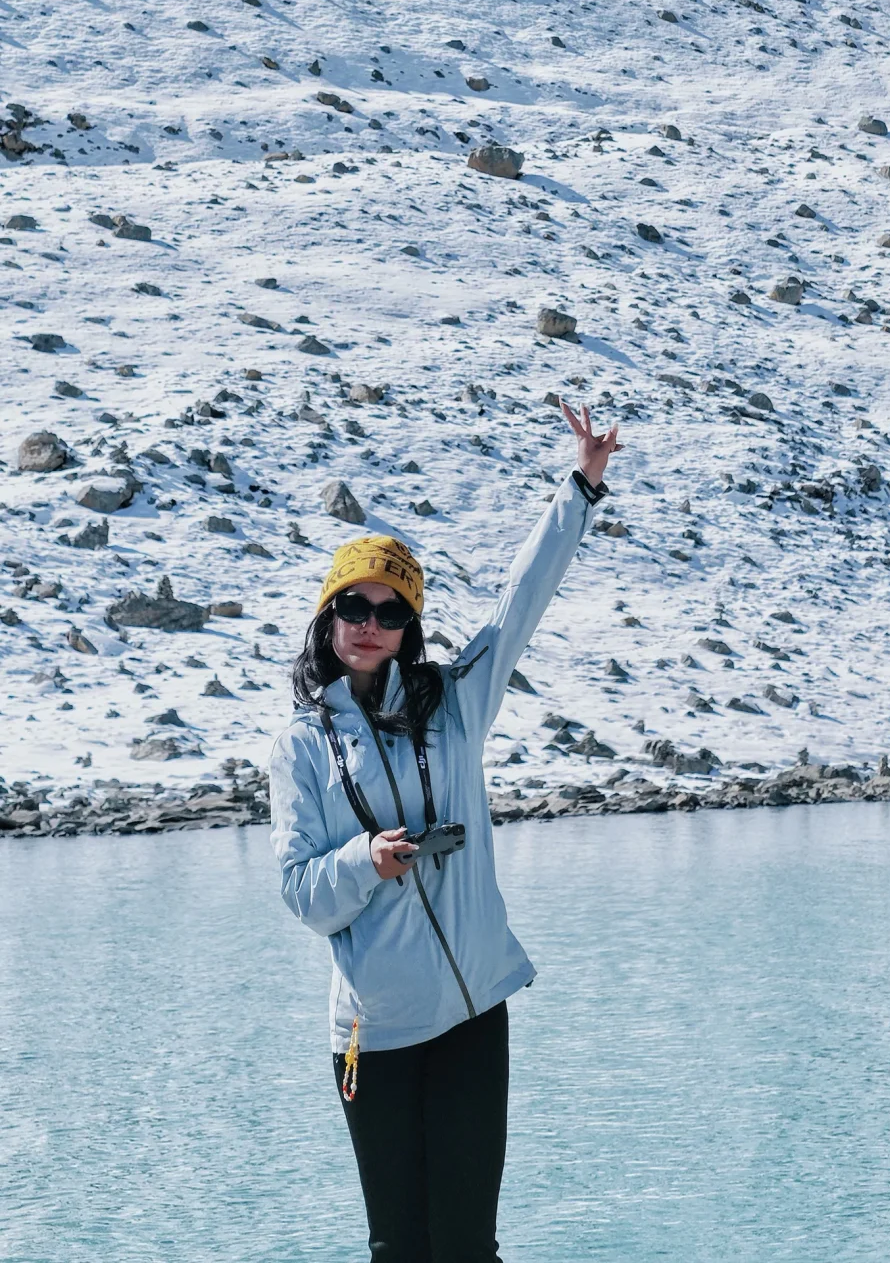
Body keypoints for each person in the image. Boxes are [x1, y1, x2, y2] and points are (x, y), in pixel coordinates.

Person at [270, 399, 621, 1263]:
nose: (369, 624)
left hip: (472, 1013)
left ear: (410, 627)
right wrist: (366, 859)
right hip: (373, 1032)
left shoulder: (455, 705)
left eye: (391, 612)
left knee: (467, 1245)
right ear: (328, 615)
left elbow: (521, 601)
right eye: (354, 604)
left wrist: (580, 487)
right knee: (400, 1247)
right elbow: (301, 894)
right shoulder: (300, 745)